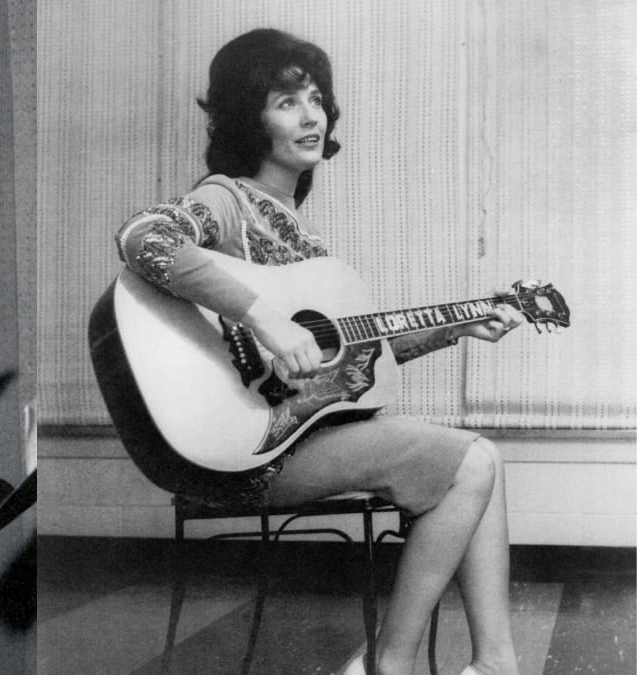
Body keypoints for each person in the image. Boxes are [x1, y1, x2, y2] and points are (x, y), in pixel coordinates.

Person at [115, 29, 522, 675]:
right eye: (286, 100)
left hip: (295, 436)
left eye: (317, 99)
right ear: (250, 115)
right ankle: (387, 664)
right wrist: (264, 318)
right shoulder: (228, 197)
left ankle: (497, 664)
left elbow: (342, 368)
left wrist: (458, 325)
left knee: (486, 456)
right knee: (468, 459)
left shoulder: (298, 230)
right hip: (243, 453)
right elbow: (144, 237)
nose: (311, 115)